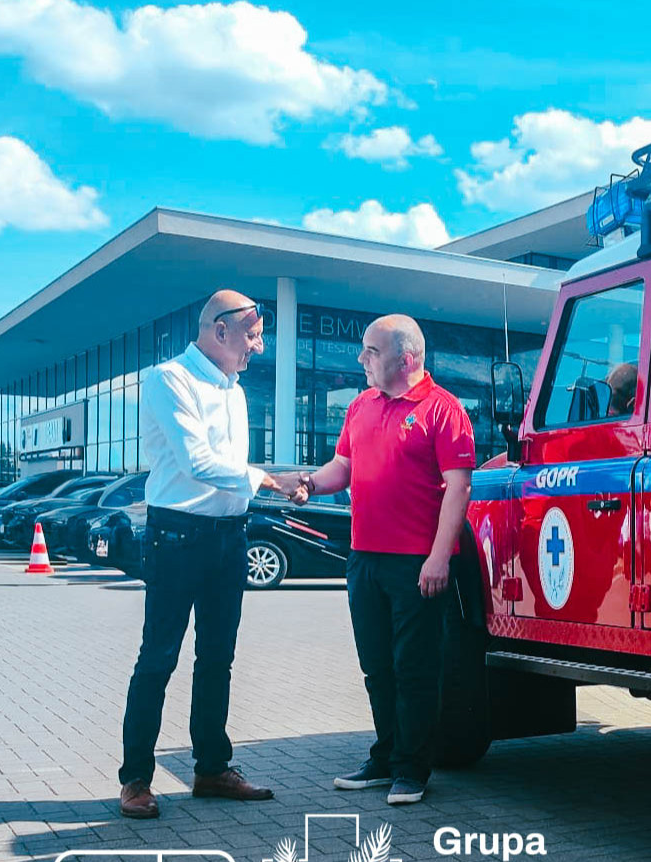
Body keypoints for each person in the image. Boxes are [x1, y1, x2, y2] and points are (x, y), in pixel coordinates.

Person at [119, 289, 298, 819]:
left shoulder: (235, 391)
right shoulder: (169, 379)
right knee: (158, 658)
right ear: (220, 330)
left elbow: (229, 470)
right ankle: (135, 780)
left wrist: (273, 483)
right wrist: (270, 480)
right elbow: (196, 461)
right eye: (253, 336)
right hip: (176, 537)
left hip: (229, 537)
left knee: (218, 658)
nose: (258, 347)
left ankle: (212, 769)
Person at [289, 314, 475, 805]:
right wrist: (309, 483)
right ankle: (387, 757)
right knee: (377, 666)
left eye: (371, 351)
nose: (361, 359)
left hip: (416, 564)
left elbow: (459, 488)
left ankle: (412, 769)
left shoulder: (444, 410)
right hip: (364, 559)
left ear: (405, 358)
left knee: (414, 668)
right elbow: (343, 467)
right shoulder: (360, 406)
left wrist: (439, 558)